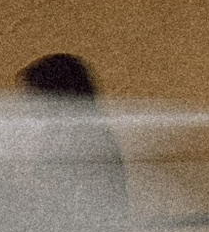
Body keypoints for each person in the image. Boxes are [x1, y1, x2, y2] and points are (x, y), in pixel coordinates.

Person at [19, 49, 128, 211]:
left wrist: (35, 186)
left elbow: (90, 206)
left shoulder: (87, 140)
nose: (27, 104)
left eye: (34, 96)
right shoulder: (56, 136)